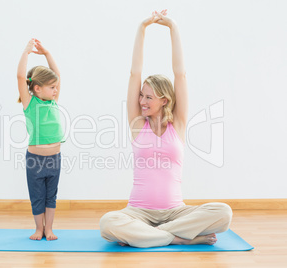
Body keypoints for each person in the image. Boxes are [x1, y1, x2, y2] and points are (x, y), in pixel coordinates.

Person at [99, 10, 233, 248]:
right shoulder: (137, 124)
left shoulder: (178, 124)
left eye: (149, 97)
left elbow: (180, 74)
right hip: (138, 212)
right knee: (108, 223)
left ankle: (151, 235)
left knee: (223, 213)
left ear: (164, 100)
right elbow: (134, 74)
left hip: (175, 213)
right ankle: (178, 238)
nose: (142, 101)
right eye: (141, 96)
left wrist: (173, 27)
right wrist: (142, 28)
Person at [16, 38, 65, 241]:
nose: (56, 90)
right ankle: (38, 229)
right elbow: (20, 76)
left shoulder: (53, 102)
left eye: (56, 87)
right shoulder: (30, 103)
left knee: (50, 196)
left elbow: (58, 75)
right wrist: (26, 52)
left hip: (54, 159)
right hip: (35, 160)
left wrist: (47, 54)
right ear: (37, 88)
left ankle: (49, 229)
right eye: (51, 87)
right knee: (37, 196)